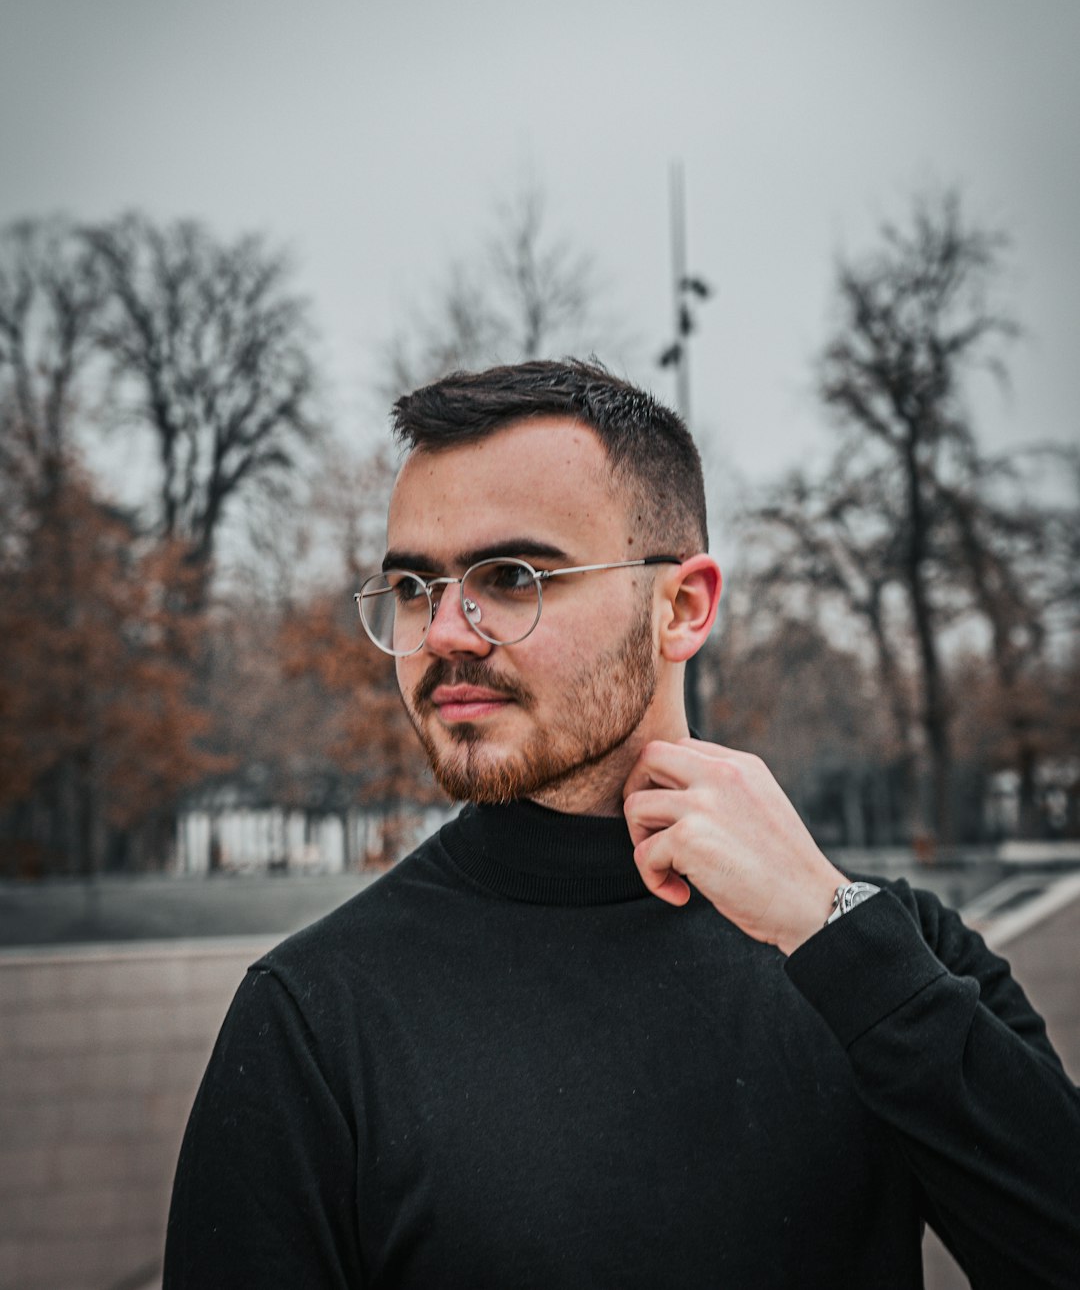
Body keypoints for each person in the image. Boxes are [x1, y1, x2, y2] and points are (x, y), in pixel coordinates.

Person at [164, 359, 1080, 1289]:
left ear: (681, 606)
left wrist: (830, 927)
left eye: (511, 576)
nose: (444, 631)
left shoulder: (892, 957)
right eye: (413, 588)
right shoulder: (312, 1020)